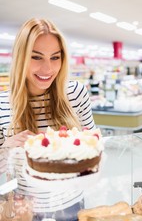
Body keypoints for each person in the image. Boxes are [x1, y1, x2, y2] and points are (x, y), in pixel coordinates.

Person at [0, 18, 95, 221]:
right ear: (20, 57)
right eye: (36, 57)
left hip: (72, 205)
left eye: (55, 57)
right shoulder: (2, 104)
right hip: (24, 210)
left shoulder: (75, 94)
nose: (48, 69)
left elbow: (94, 147)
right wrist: (6, 149)